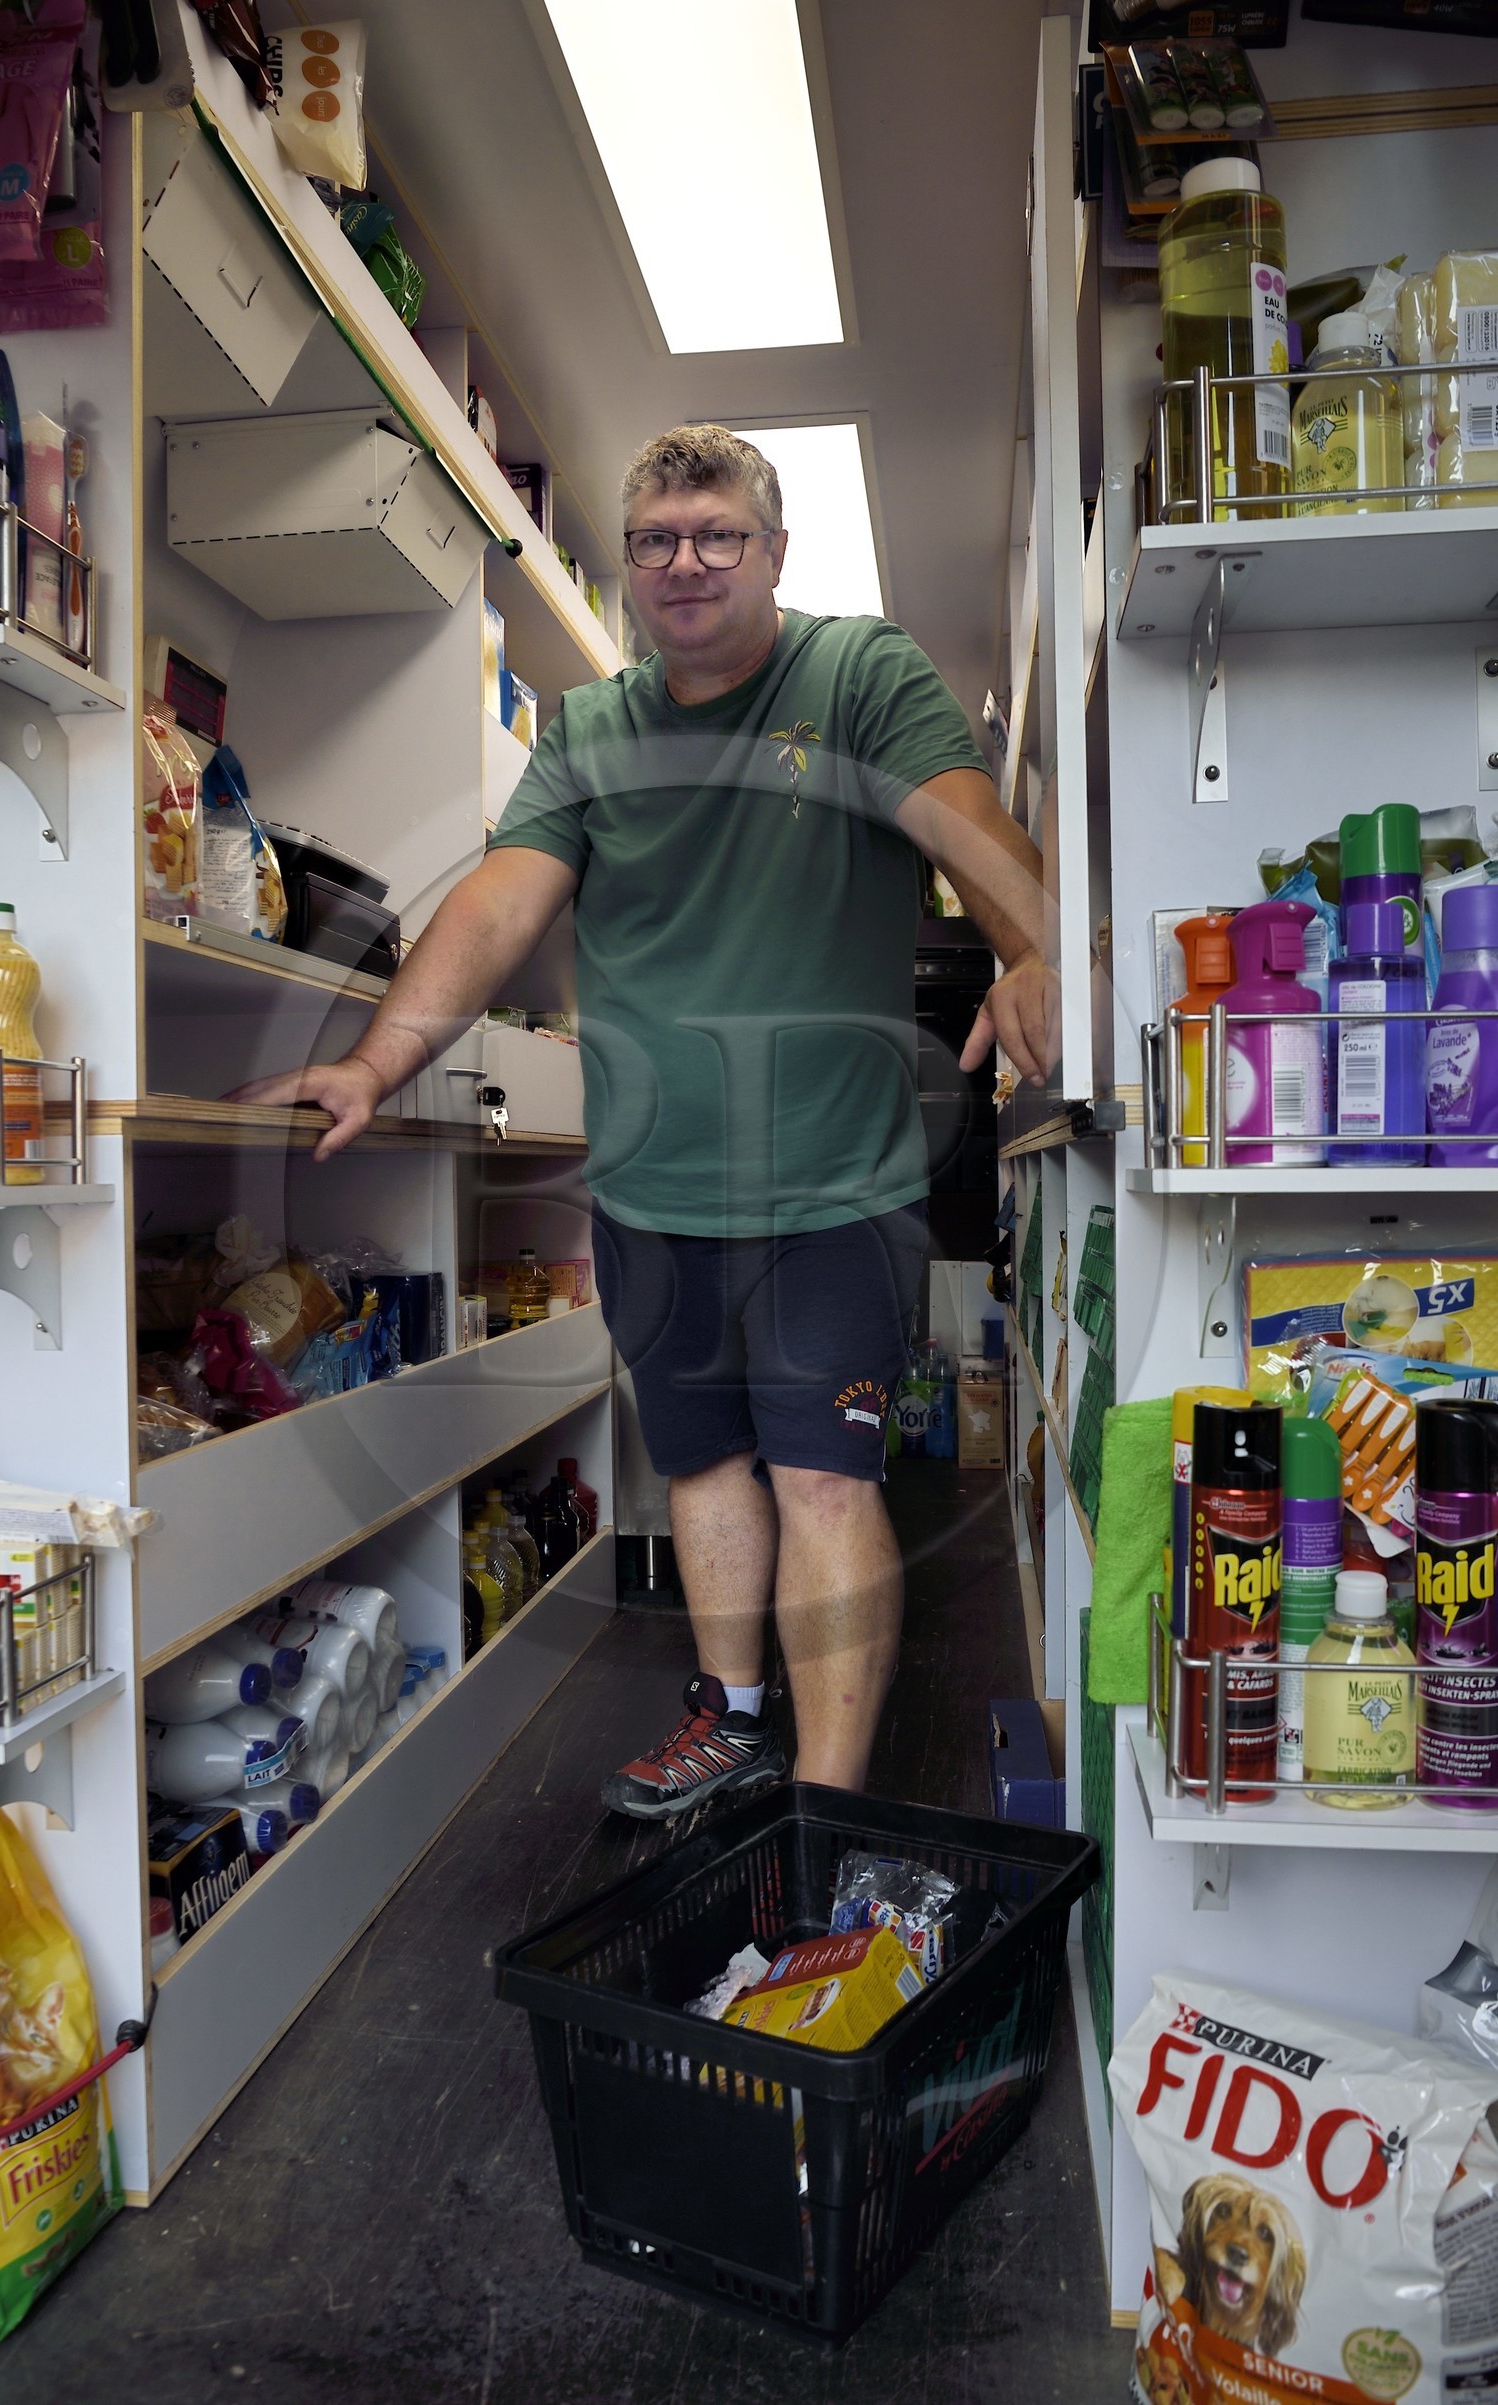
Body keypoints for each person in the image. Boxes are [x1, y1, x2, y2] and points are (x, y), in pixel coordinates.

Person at [235, 424, 1054, 1822]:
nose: (688, 562)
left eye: (719, 534)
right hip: (653, 1191)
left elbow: (963, 819)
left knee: (822, 1478)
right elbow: (501, 900)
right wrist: (378, 1055)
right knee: (701, 1463)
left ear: (773, 553)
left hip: (831, 1189)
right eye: (659, 541)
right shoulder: (596, 730)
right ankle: (730, 1719)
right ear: (631, 569)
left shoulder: (858, 676)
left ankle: (827, 1800)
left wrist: (1032, 945)